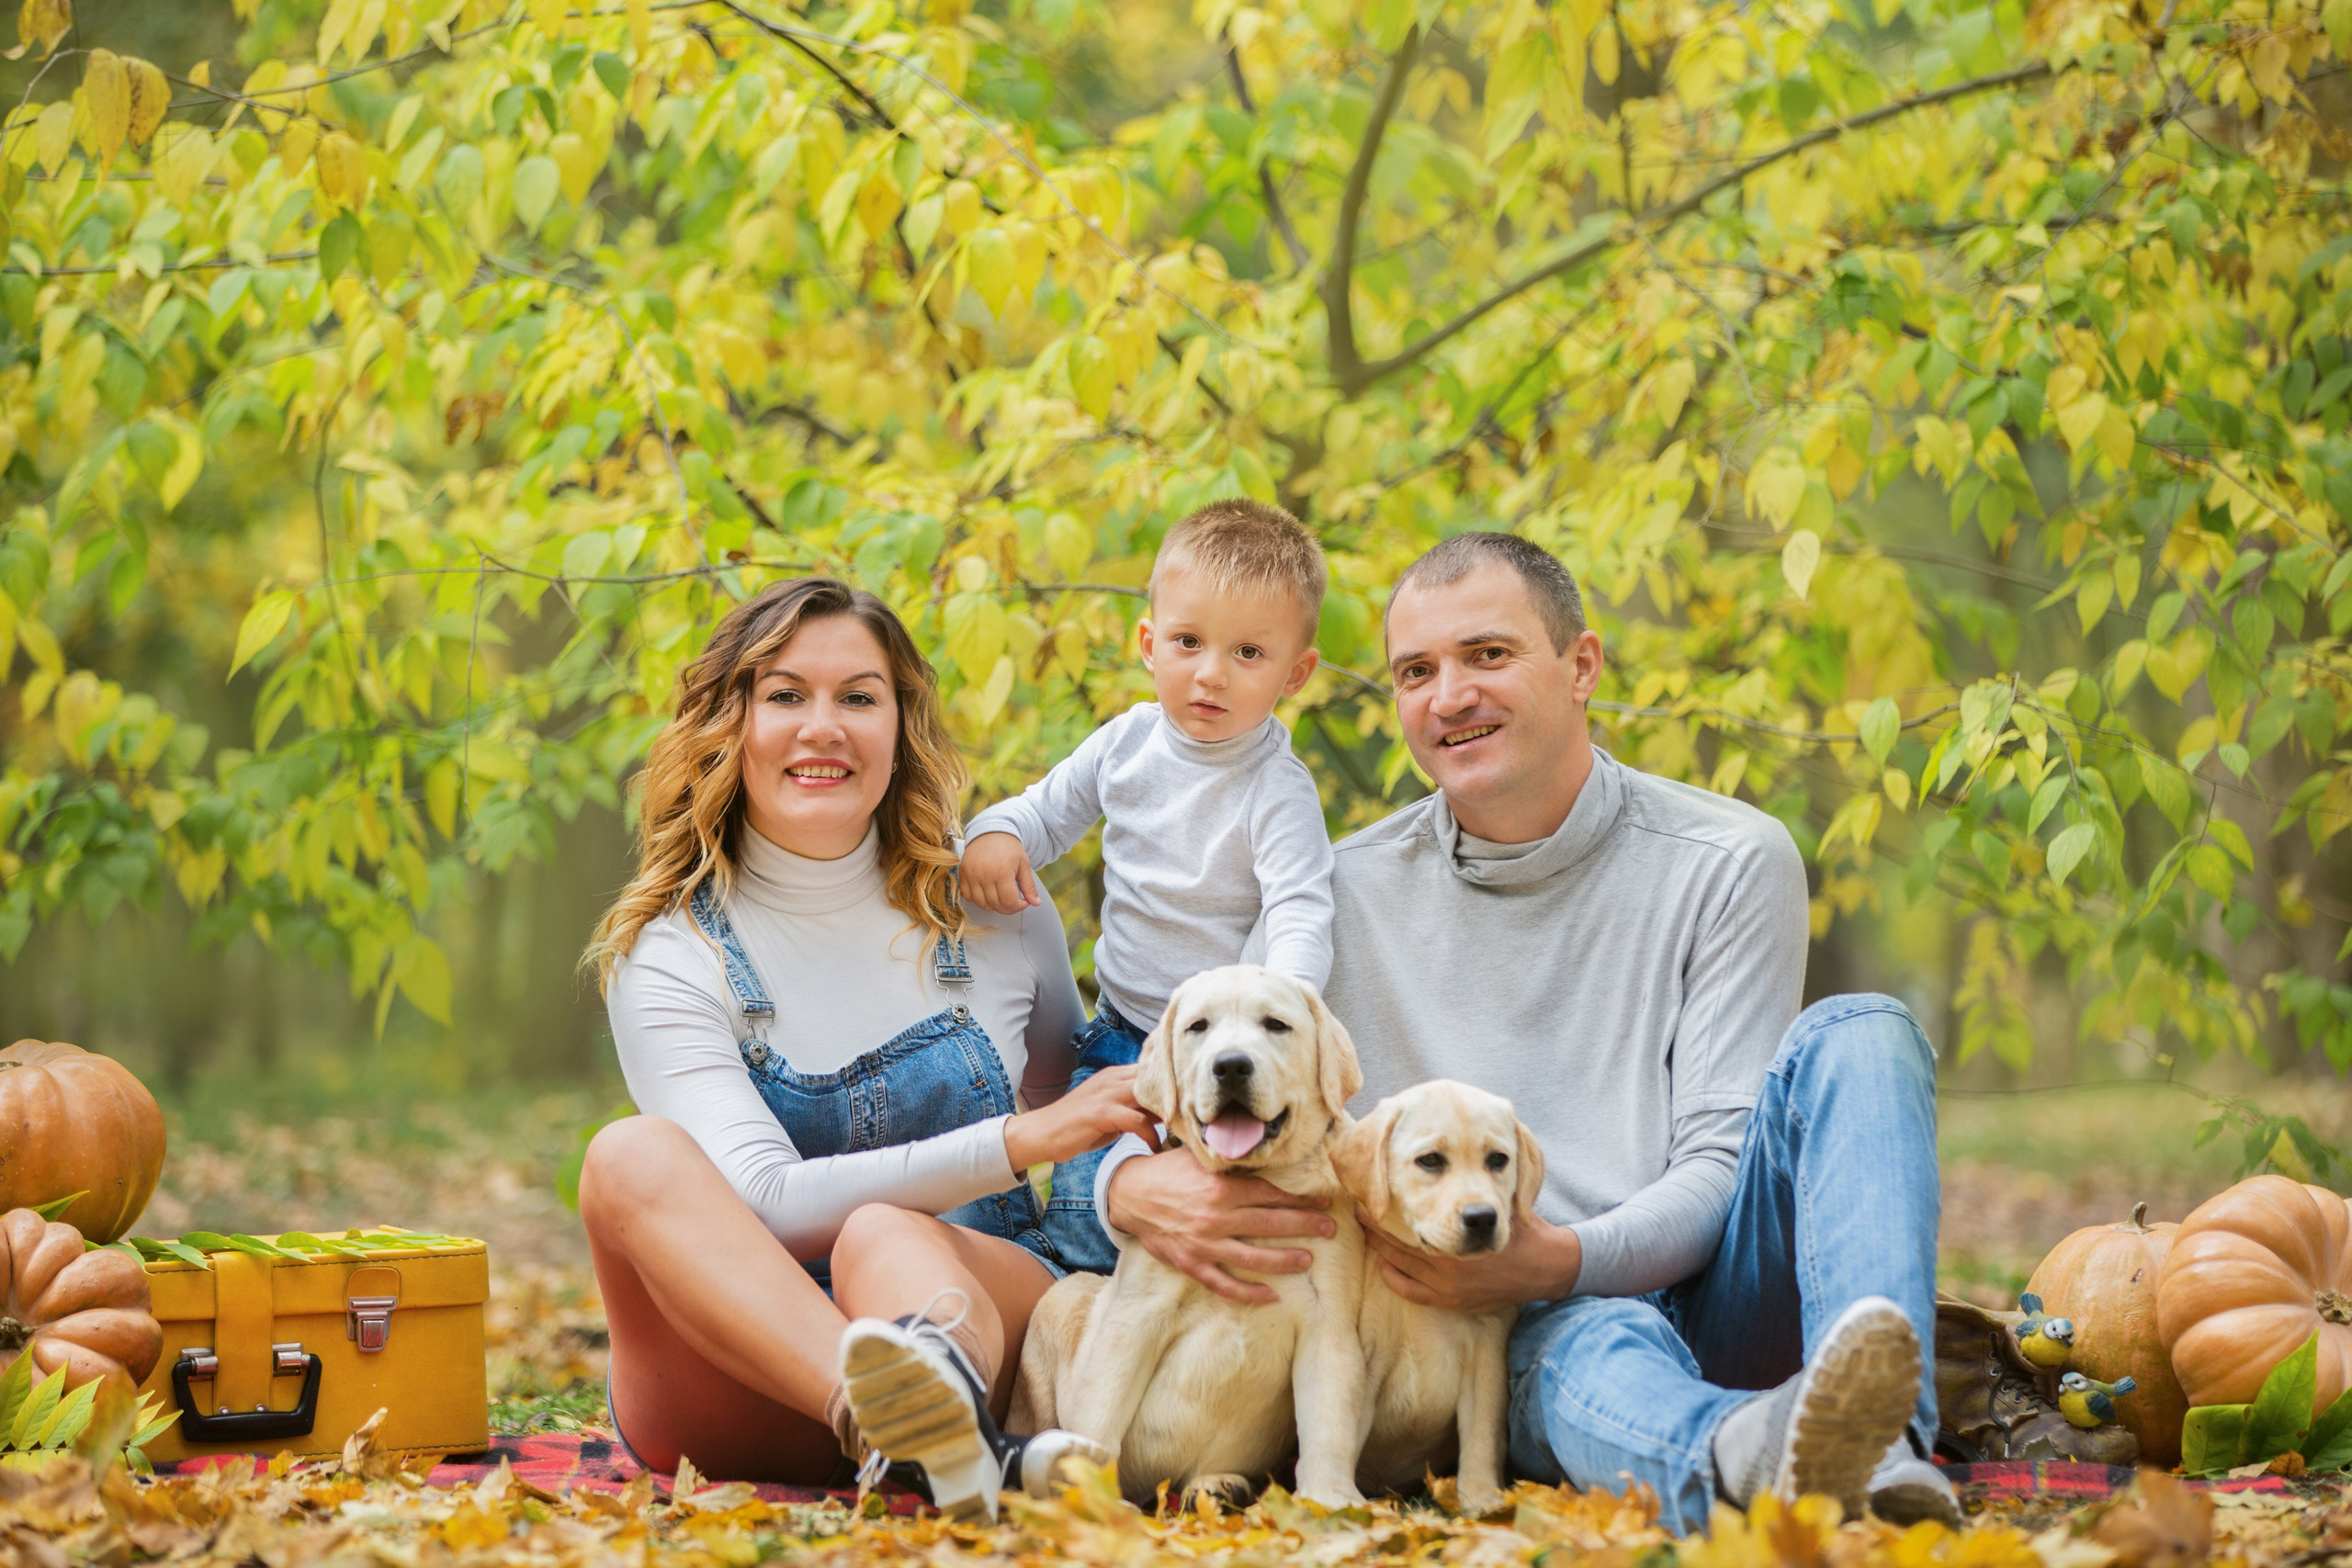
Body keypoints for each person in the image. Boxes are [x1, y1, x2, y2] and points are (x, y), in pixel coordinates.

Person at [1093, 533, 1953, 1533]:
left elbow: (1724, 1164)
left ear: (1581, 665)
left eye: (1487, 655)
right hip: (1505, 1326)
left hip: (1712, 1281)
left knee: (1864, 1030)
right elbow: (1212, 1070)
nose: (1448, 695)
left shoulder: (1727, 859)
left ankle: (1886, 1444)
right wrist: (1123, 1174)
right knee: (1584, 1346)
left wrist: (1561, 1256)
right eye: (1417, 672)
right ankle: (1755, 1454)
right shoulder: (1335, 896)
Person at [575, 577, 1153, 1521]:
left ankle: (955, 1433)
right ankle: (904, 1426)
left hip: (961, 1310)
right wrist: (1019, 1140)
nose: (823, 727)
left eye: (858, 696)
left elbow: (1079, 1122)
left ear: (899, 723)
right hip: (738, 1375)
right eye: (786, 695)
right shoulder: (671, 951)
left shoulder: (995, 900)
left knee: (883, 1233)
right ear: (734, 723)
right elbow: (762, 1204)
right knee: (626, 1156)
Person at [956, 500, 1336, 1272]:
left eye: (1248, 653)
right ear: (1148, 642)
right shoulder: (1126, 743)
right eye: (1189, 641)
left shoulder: (1275, 787)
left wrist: (1283, 1008)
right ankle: (1085, 1275)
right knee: (1083, 1214)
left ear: (1296, 672)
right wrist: (995, 835)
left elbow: (1301, 906)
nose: (1210, 672)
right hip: (1126, 1033)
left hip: (1225, 1043)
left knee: (1223, 1190)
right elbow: (1043, 811)